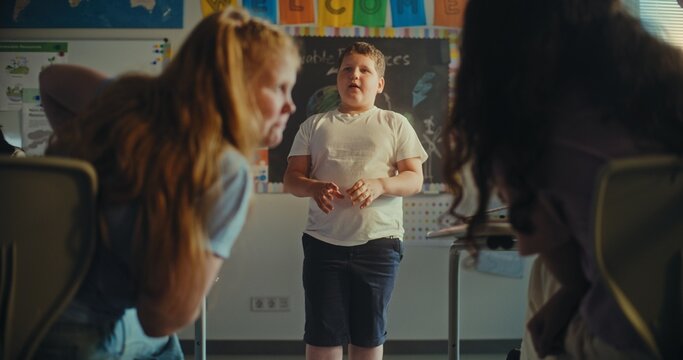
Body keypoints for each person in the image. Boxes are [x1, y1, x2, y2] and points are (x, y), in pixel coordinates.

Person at [36, 7, 299, 358]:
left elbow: (51, 81)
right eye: (280, 88)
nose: (291, 106)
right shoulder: (225, 169)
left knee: (167, 349)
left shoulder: (127, 106)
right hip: (85, 332)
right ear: (234, 83)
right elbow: (159, 318)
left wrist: (87, 159)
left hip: (30, 304)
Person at [443, 0, 683, 359]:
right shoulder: (668, 83)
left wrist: (571, 297)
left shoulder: (526, 133)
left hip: (633, 341)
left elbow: (571, 271)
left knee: (545, 276)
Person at [283, 41, 428, 360]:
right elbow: (292, 179)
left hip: (379, 244)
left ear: (379, 83)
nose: (355, 75)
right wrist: (313, 188)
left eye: (365, 69)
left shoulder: (395, 123)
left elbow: (414, 178)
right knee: (322, 340)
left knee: (367, 339)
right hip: (323, 244)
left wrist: (380, 184)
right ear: (337, 79)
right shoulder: (314, 125)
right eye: (347, 68)